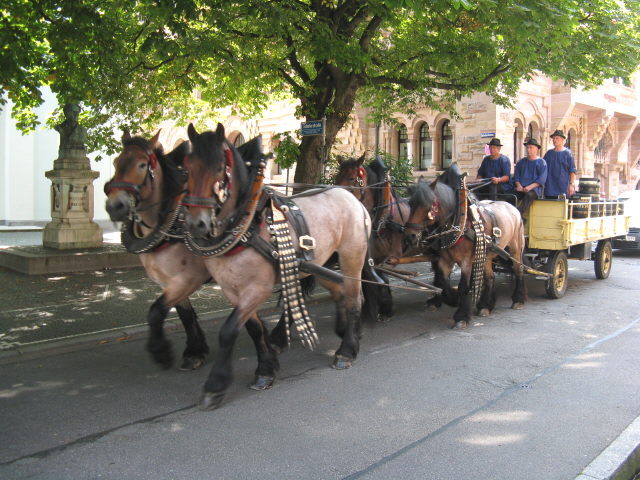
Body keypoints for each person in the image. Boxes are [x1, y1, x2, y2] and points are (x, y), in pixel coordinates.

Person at [514, 138, 548, 216]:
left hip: (535, 190)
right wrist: (518, 185)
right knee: (510, 196)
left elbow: (541, 179)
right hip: (521, 188)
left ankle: (518, 215)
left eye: (531, 147)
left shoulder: (541, 162)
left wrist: (530, 187)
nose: (528, 150)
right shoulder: (521, 162)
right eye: (527, 147)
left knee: (529, 195)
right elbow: (516, 176)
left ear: (536, 149)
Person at [544, 129, 577, 198]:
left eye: (557, 138)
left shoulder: (568, 153)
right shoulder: (549, 153)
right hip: (550, 187)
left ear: (562, 140)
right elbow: (543, 168)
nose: (554, 140)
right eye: (553, 138)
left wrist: (571, 185)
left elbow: (572, 170)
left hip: (563, 186)